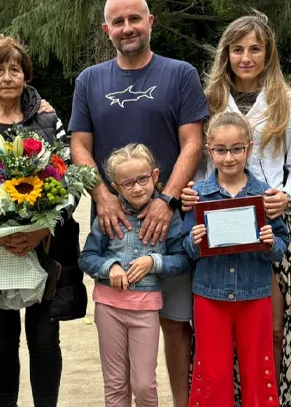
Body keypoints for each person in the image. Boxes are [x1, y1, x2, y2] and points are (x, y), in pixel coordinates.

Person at [69, 0, 209, 407]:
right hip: (113, 228)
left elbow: (193, 144)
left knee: (176, 324)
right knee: (119, 337)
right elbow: (79, 146)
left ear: (151, 21)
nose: (127, 28)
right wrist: (102, 195)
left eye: (135, 19)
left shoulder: (180, 73)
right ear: (106, 29)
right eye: (118, 21)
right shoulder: (89, 80)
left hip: (169, 223)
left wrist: (165, 201)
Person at [0, 34, 85, 407]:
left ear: (25, 75)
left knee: (44, 340)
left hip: (44, 247)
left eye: (15, 69)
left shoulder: (47, 119)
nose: (7, 77)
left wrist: (42, 227)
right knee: (1, 342)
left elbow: (69, 181)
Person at [179, 13, 291, 405]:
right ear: (226, 53)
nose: (246, 57)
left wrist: (286, 196)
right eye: (238, 49)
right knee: (217, 337)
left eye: (255, 48)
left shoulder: (287, 100)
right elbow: (202, 162)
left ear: (268, 53)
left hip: (270, 221)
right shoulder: (209, 98)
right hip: (217, 221)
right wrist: (193, 195)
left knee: (271, 328)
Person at [184, 112, 288, 406]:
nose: (229, 158)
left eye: (236, 149)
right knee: (212, 375)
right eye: (220, 150)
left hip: (254, 294)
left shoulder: (264, 196)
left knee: (259, 371)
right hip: (210, 294)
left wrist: (270, 244)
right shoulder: (198, 196)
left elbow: (282, 243)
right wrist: (194, 242)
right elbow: (184, 246)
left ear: (249, 148)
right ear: (209, 152)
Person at [79, 143, 191, 407]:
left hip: (146, 309)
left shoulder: (168, 218)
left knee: (143, 385)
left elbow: (183, 260)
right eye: (128, 183)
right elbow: (87, 257)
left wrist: (154, 262)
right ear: (115, 188)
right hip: (109, 307)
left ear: (154, 176)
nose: (138, 188)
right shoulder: (108, 217)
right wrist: (111, 267)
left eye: (142, 179)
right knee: (115, 384)